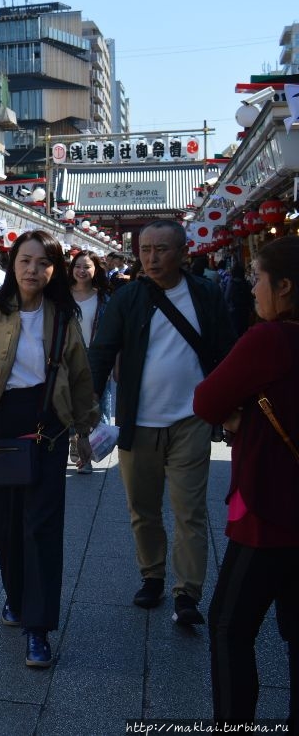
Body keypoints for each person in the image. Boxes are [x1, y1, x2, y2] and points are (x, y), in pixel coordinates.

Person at [0, 230, 98, 668]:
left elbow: (78, 374)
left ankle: (38, 628)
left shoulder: (62, 315)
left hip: (48, 427)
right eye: (25, 261)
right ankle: (16, 598)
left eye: (43, 263)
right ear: (13, 264)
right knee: (3, 522)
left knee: (42, 528)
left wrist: (83, 429)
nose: (33, 270)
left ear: (55, 269)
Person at [88, 219, 236, 626]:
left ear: (183, 253)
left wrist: (231, 407)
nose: (151, 258)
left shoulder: (205, 294)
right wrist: (87, 407)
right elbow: (102, 352)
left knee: (189, 510)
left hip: (192, 419)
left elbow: (226, 350)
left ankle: (187, 591)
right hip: (138, 421)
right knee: (143, 508)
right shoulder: (127, 297)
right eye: (145, 250)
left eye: (162, 249)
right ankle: (151, 575)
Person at [193, 236, 299, 727]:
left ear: (285, 286)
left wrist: (245, 419)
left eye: (258, 278)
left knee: (230, 625)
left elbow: (208, 401)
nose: (252, 288)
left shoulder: (270, 339)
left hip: (272, 507)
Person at [69, 251, 114, 452]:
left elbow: (114, 333)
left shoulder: (104, 298)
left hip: (96, 358)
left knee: (97, 404)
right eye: (78, 266)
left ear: (95, 269)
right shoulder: (62, 296)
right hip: (67, 357)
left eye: (87, 266)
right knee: (68, 402)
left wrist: (115, 362)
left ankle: (92, 450)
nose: (82, 271)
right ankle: (73, 441)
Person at [227, 263, 254, 336]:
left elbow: (226, 297)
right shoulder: (247, 283)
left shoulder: (231, 283)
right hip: (245, 311)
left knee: (235, 332)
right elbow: (251, 297)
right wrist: (252, 310)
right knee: (244, 331)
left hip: (233, 311)